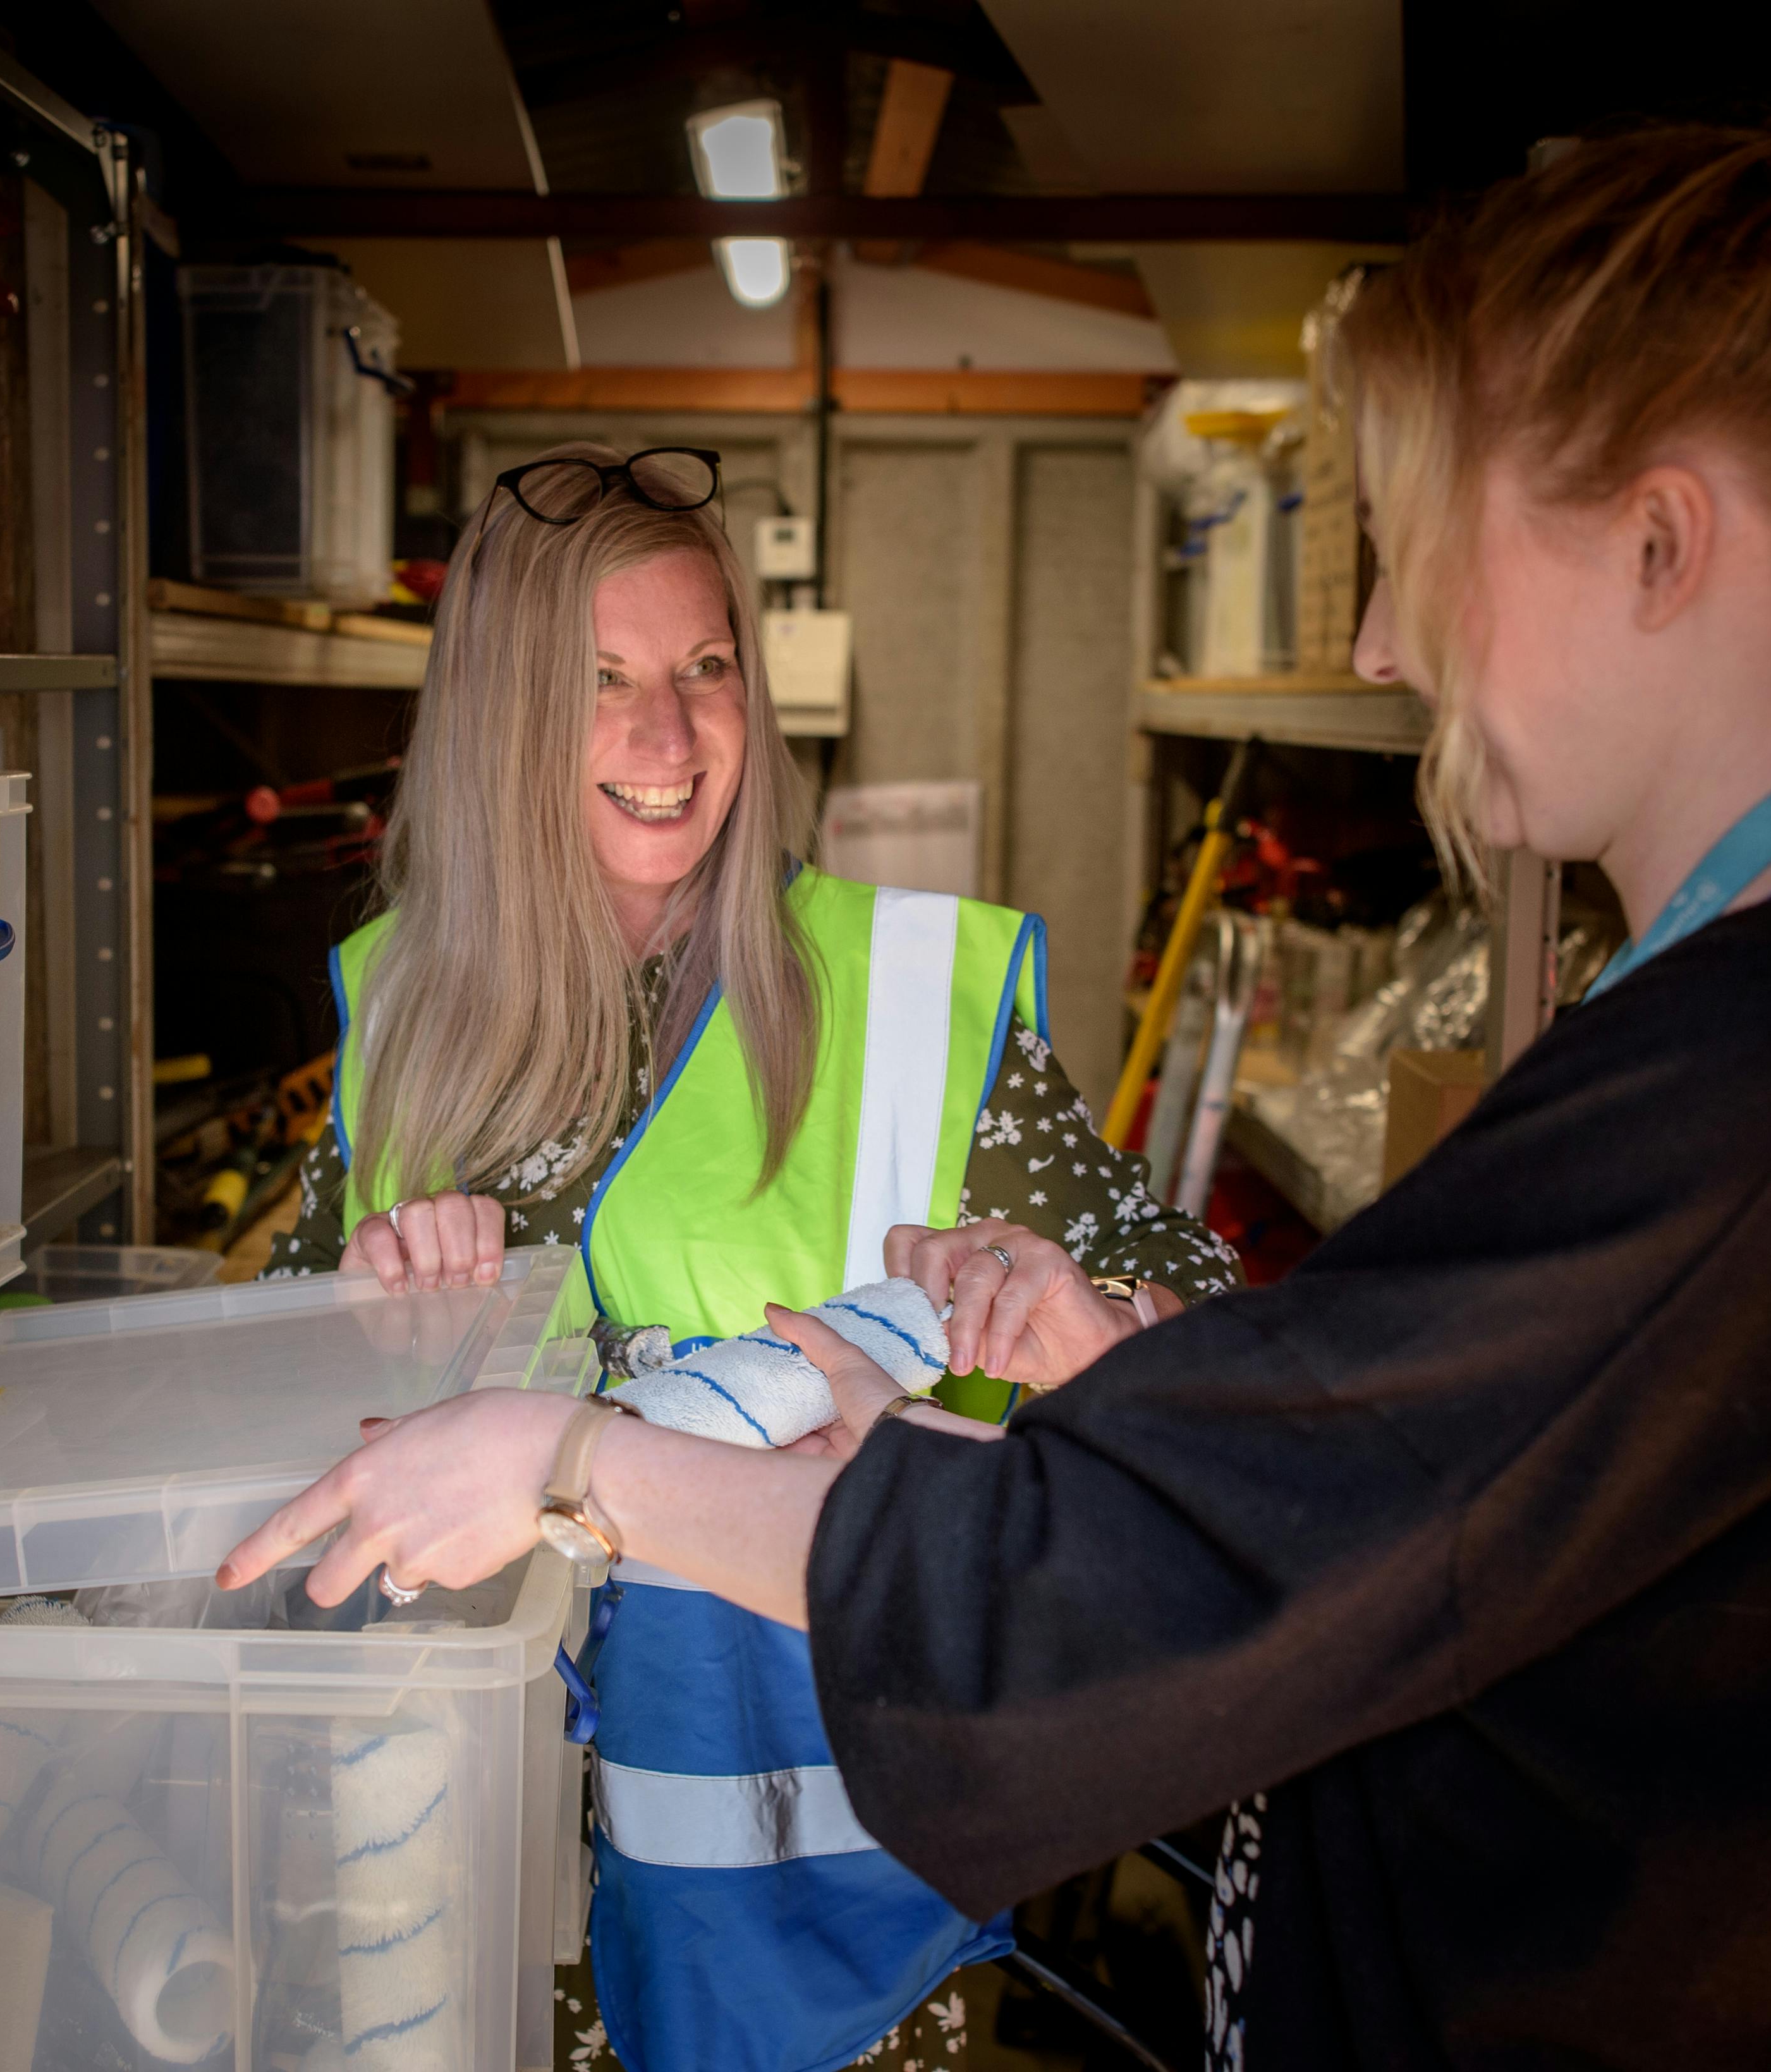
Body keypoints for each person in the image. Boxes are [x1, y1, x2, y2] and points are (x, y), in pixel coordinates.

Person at [222, 45, 1771, 2070]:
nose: (1379, 644)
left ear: (1656, 544)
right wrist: (1118, 1369)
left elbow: (1131, 1591)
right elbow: (1374, 1496)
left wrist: (576, 1464)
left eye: (1425, 540)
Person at [262, 439, 1242, 2071]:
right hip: (470, 1873)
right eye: (602, 682)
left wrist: (1095, 1320)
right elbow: (270, 1427)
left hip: (819, 1887)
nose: (668, 736)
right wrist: (360, 1323)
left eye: (707, 668)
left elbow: (1205, 1339)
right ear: (507, 721)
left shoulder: (907, 996)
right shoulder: (406, 1015)